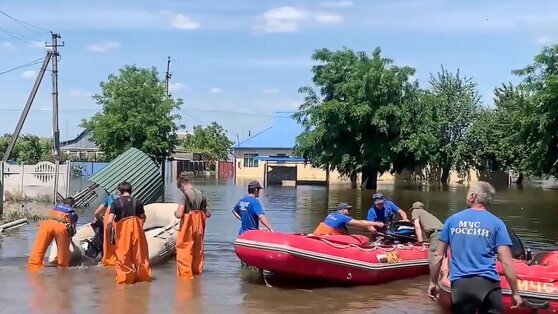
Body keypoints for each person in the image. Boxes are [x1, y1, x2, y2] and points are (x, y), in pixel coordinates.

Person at [429, 181, 522, 313]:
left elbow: (438, 256)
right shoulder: (497, 223)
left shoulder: (452, 220)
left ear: (473, 196)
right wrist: (515, 292)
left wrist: (433, 282)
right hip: (489, 284)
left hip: (462, 285)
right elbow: (506, 262)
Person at [108, 181, 151, 284]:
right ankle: (143, 278)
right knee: (140, 255)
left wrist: (111, 235)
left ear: (120, 191)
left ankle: (126, 280)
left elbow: (109, 221)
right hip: (137, 232)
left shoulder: (116, 203)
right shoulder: (138, 202)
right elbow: (143, 217)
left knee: (123, 256)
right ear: (130, 191)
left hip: (123, 234)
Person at [174, 176, 211, 279]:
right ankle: (197, 272)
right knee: (198, 249)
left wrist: (175, 213)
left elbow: (180, 214)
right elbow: (208, 213)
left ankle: (185, 275)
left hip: (188, 225)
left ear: (182, 185)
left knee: (184, 248)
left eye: (180, 189)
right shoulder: (201, 194)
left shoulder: (184, 196)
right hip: (199, 225)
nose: (181, 191)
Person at [28, 197, 78, 271]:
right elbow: (72, 230)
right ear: (73, 205)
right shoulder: (73, 213)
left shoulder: (56, 208)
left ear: (63, 203)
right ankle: (62, 269)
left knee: (39, 247)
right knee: (63, 252)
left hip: (46, 224)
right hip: (61, 226)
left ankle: (33, 268)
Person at [313, 202, 385, 235]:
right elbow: (360, 223)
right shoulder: (343, 218)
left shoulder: (331, 214)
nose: (349, 211)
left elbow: (337, 227)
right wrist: (377, 223)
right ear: (342, 210)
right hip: (325, 237)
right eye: (348, 209)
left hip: (319, 234)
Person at [93, 192, 119, 265]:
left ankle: (106, 259)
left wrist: (99, 219)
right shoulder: (126, 200)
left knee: (107, 240)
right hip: (118, 221)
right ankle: (116, 259)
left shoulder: (111, 197)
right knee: (118, 240)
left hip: (108, 220)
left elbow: (96, 212)